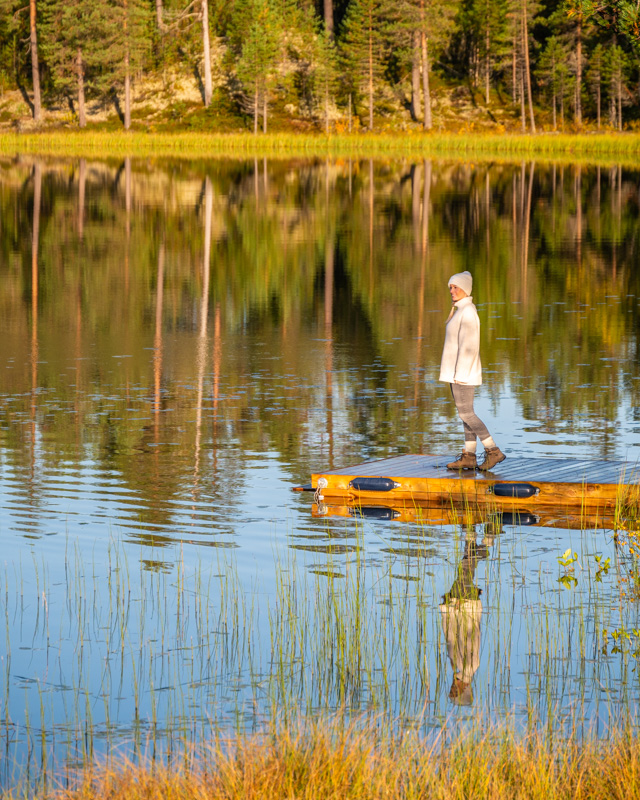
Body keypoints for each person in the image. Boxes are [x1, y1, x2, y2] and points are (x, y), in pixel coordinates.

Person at [439, 271, 505, 471]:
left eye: (455, 287)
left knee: (467, 414)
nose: (452, 290)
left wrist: (461, 373)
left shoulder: (468, 311)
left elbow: (470, 346)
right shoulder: (460, 310)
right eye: (450, 287)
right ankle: (469, 456)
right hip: (456, 372)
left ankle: (493, 451)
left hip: (463, 373)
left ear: (465, 289)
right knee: (464, 414)